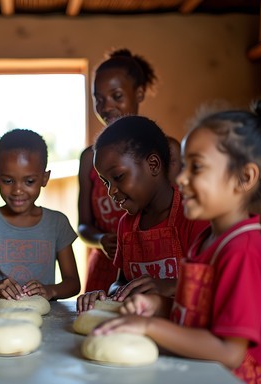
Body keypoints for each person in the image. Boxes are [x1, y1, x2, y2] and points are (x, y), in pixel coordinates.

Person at [93, 102, 261, 383]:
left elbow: (230, 352)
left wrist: (149, 326)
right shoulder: (208, 242)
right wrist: (157, 305)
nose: (182, 178)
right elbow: (196, 315)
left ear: (244, 177)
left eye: (196, 167)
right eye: (184, 166)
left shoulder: (242, 249)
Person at [76, 115, 208, 313]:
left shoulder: (193, 217)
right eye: (106, 182)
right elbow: (120, 281)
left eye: (118, 177)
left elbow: (214, 283)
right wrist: (110, 295)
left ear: (153, 165)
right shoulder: (126, 226)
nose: (111, 191)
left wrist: (170, 285)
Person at [79, 48, 180, 294]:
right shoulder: (91, 159)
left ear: (139, 93)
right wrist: (100, 240)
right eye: (98, 99)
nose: (106, 107)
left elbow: (176, 209)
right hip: (110, 268)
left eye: (116, 96)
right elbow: (83, 225)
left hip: (162, 269)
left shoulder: (168, 150)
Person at [0, 129, 81, 301]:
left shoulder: (57, 223)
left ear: (44, 178)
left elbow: (73, 283)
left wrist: (50, 291)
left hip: (44, 320)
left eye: (29, 181)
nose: (17, 190)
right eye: (8, 181)